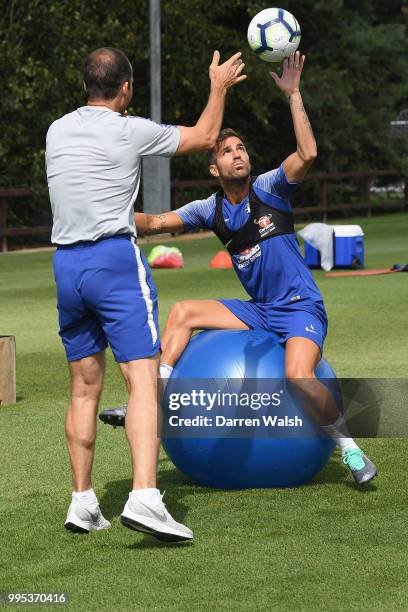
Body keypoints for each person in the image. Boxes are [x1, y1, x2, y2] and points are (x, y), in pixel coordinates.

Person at [101, 52, 377, 486]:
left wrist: (294, 94)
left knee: (299, 376)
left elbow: (308, 151)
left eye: (241, 148)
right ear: (215, 168)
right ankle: (148, 397)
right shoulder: (207, 209)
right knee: (182, 312)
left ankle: (350, 449)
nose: (237, 155)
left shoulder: (270, 189)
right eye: (227, 151)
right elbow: (154, 223)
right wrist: (104, 212)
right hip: (260, 309)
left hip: (300, 307)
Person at [46, 46, 246, 542]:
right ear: (126, 88)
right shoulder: (128, 129)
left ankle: (83, 502)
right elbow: (204, 137)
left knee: (84, 389)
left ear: (85, 85)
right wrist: (217, 86)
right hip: (113, 261)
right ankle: (145, 497)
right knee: (142, 379)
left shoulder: (56, 130)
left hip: (65, 265)